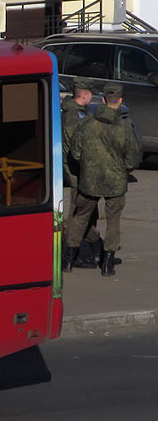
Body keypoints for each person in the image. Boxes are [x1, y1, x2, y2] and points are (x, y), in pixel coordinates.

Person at [66, 82, 142, 277]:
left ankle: (68, 260)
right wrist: (122, 170)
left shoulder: (87, 123)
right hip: (115, 182)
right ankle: (107, 264)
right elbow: (133, 158)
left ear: (103, 99)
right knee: (113, 220)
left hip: (89, 180)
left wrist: (88, 166)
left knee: (80, 218)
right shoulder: (124, 128)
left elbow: (75, 152)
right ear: (120, 100)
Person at [60, 77, 101, 270]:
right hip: (77, 171)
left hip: (79, 170)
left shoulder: (76, 113)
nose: (91, 96)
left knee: (84, 211)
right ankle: (72, 254)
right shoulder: (74, 117)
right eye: (90, 93)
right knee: (78, 213)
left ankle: (91, 250)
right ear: (84, 94)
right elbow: (77, 148)